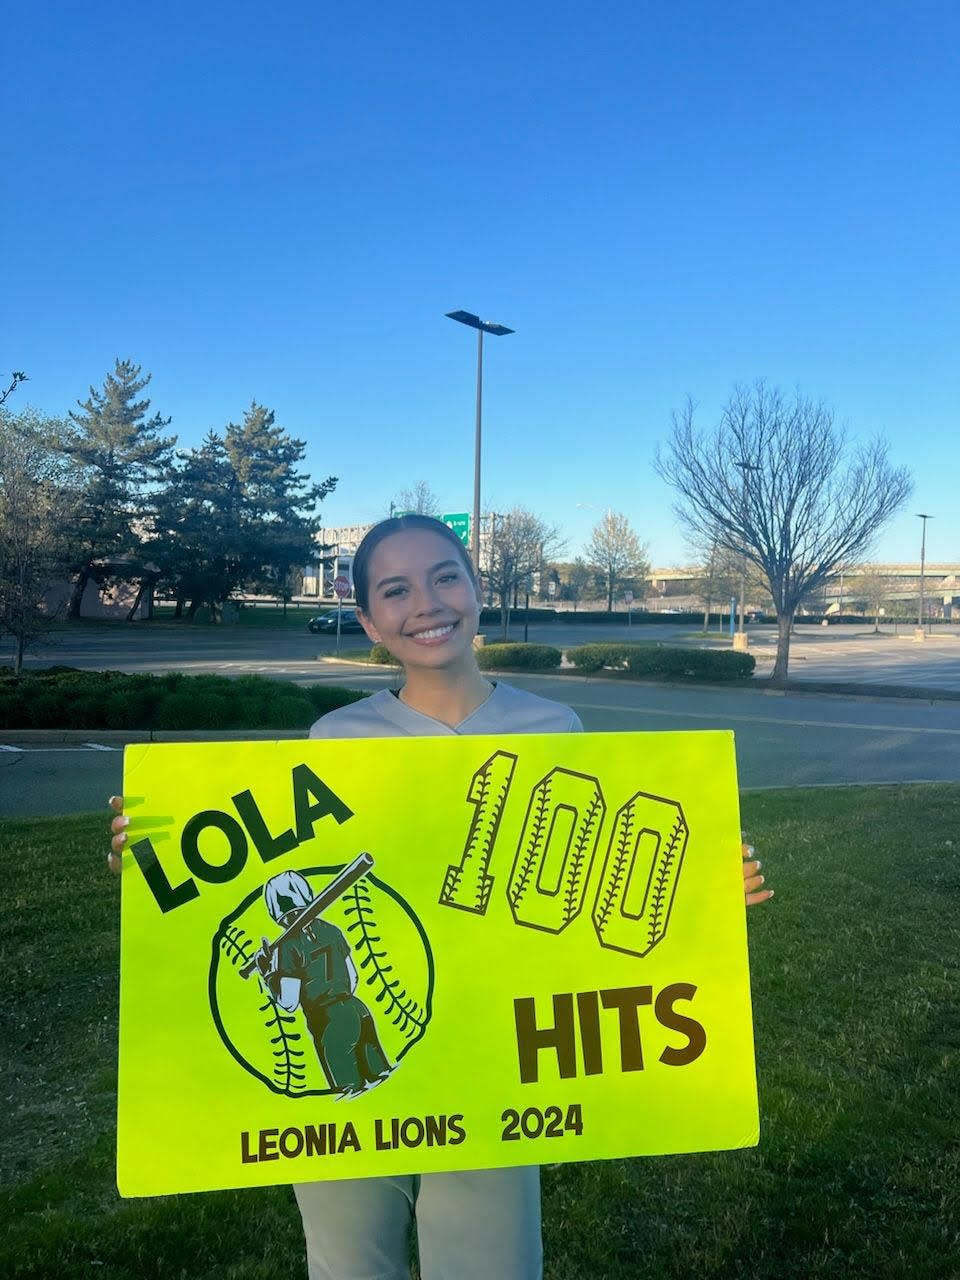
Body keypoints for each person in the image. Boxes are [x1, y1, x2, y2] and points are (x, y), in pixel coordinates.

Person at [109, 513, 772, 1280]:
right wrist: (150, 855)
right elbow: (254, 886)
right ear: (368, 620)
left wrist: (707, 891)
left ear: (477, 589)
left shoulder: (557, 729)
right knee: (351, 1263)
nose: (425, 604)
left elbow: (604, 886)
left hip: (496, 1058)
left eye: (444, 577)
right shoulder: (335, 741)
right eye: (395, 590)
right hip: (342, 1103)